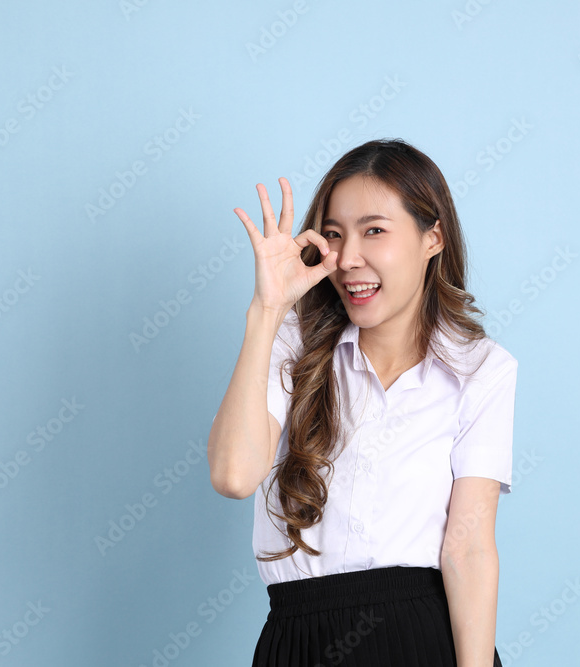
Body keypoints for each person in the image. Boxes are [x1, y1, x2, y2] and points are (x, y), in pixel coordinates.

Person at [208, 138, 518, 667]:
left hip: (423, 641)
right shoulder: (291, 344)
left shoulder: (480, 368)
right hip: (298, 641)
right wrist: (267, 309)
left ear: (432, 238)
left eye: (374, 230)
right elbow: (234, 476)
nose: (348, 259)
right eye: (334, 234)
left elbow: (468, 549)